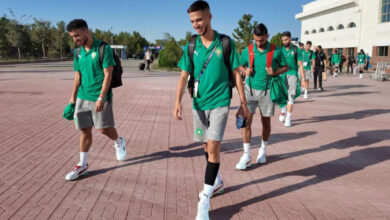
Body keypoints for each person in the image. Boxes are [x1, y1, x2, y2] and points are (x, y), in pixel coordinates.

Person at [172, 1, 249, 219]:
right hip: (198, 103)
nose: (196, 24)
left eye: (199, 20)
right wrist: (177, 101)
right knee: (206, 146)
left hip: (220, 102)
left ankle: (204, 200)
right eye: (192, 21)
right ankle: (216, 182)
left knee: (214, 146)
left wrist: (243, 105)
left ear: (209, 17)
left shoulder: (225, 42)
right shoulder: (191, 45)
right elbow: (183, 75)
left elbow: (236, 73)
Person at [65, 19, 126, 181]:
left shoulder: (103, 48)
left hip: (100, 96)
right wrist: (72, 99)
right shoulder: (78, 52)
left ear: (86, 31)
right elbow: (78, 76)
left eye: (77, 35)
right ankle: (82, 164)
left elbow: (108, 74)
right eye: (72, 37)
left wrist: (101, 97)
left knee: (103, 129)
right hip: (82, 97)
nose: (75, 39)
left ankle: (119, 141)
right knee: (85, 130)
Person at [235, 23, 288, 170]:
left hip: (267, 92)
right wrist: (245, 70)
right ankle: (246, 155)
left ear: (267, 36)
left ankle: (263, 150)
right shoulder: (248, 50)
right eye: (256, 40)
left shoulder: (275, 50)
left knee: (266, 123)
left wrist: (275, 72)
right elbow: (239, 65)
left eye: (262, 40)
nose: (259, 43)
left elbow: (286, 67)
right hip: (249, 91)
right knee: (246, 121)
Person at [278, 31, 303, 127]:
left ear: (290, 38)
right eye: (283, 40)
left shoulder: (296, 50)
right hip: (281, 75)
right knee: (281, 96)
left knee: (290, 97)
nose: (284, 42)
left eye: (286, 39)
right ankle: (283, 110)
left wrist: (303, 79)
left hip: (292, 75)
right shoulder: (280, 49)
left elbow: (300, 65)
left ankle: (288, 118)